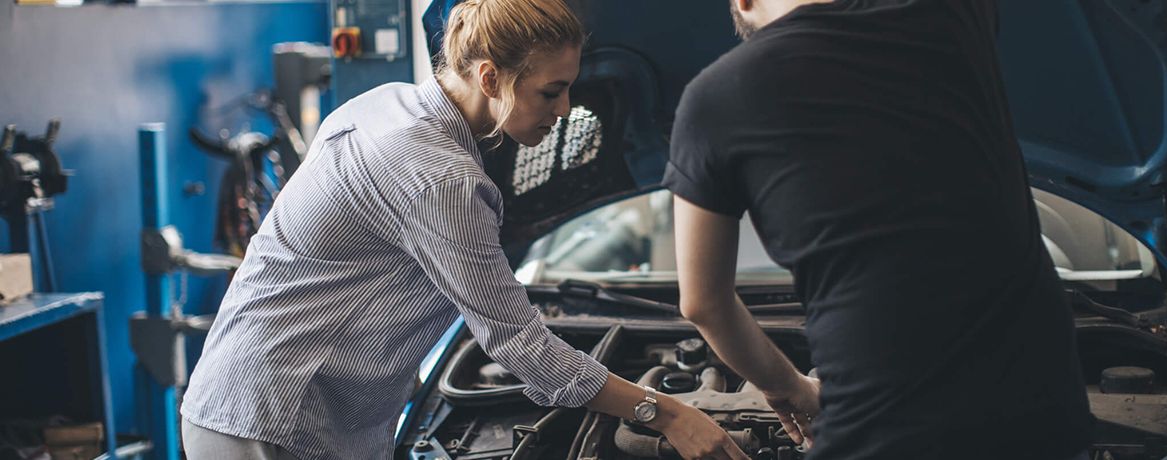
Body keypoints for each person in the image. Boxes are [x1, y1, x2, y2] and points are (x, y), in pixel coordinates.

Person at [179, 1, 749, 458]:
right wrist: (666, 412)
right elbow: (520, 345)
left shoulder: (386, 104)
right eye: (551, 91)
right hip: (272, 421)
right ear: (489, 76)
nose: (566, 109)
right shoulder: (438, 176)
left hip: (267, 405)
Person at [665, 0, 1094, 459]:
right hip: (1044, 415)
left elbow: (704, 302)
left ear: (744, 4)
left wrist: (785, 385)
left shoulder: (712, 97)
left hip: (883, 430)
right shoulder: (955, 17)